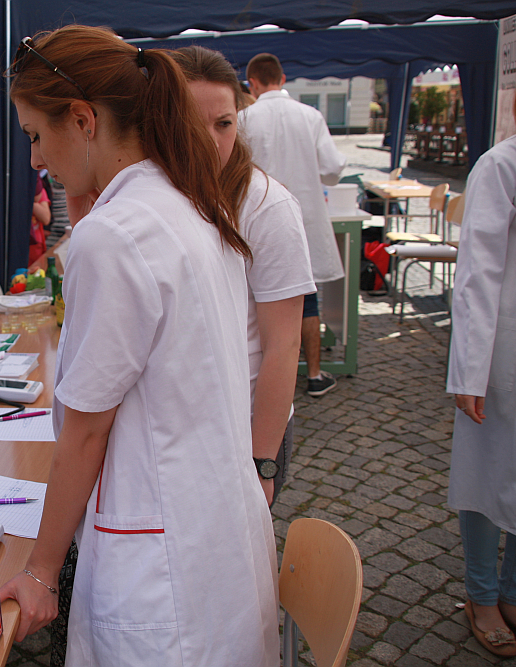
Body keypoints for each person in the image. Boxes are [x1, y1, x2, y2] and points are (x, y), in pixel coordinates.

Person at [0, 26, 278, 667]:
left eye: (36, 135)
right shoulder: (188, 204)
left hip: (163, 561)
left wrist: (41, 571)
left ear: (82, 120)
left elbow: (86, 432)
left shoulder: (117, 234)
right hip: (212, 534)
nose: (35, 159)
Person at [173, 45, 315, 506]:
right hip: (181, 431)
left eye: (224, 124)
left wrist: (262, 462)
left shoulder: (267, 205)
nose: (212, 141)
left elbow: (283, 344)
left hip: (247, 430)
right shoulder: (161, 194)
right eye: (193, 125)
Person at [446, 81, 516, 659]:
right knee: (487, 471)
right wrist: (471, 370)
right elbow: (477, 272)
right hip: (505, 350)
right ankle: (482, 593)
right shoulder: (502, 165)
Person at [238, 52, 347, 397]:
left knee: (257, 302)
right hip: (303, 218)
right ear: (282, 79)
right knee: (306, 301)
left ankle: (258, 378)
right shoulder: (310, 116)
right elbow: (332, 168)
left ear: (252, 83)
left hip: (256, 220)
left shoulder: (243, 118)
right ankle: (314, 374)